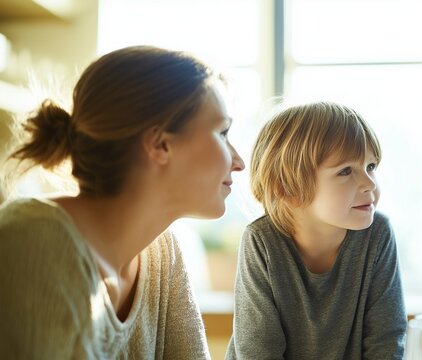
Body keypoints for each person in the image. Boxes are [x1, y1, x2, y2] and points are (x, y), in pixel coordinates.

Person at [0, 45, 245, 359]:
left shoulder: (161, 254)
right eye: (222, 133)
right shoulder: (34, 243)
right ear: (160, 144)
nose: (238, 162)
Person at [225, 102, 406, 359]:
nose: (369, 183)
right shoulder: (261, 241)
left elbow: (386, 341)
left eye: (371, 167)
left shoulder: (378, 234)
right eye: (345, 171)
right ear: (287, 187)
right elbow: (259, 350)